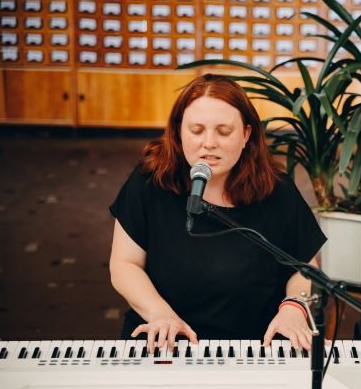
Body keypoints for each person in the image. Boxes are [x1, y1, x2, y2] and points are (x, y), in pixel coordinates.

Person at [109, 74, 326, 354]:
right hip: (163, 341)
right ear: (178, 132)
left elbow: (305, 269)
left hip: (253, 347)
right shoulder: (150, 181)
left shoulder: (277, 191)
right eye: (196, 130)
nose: (208, 143)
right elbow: (125, 264)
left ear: (246, 135)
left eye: (223, 131)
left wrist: (294, 308)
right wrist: (159, 314)